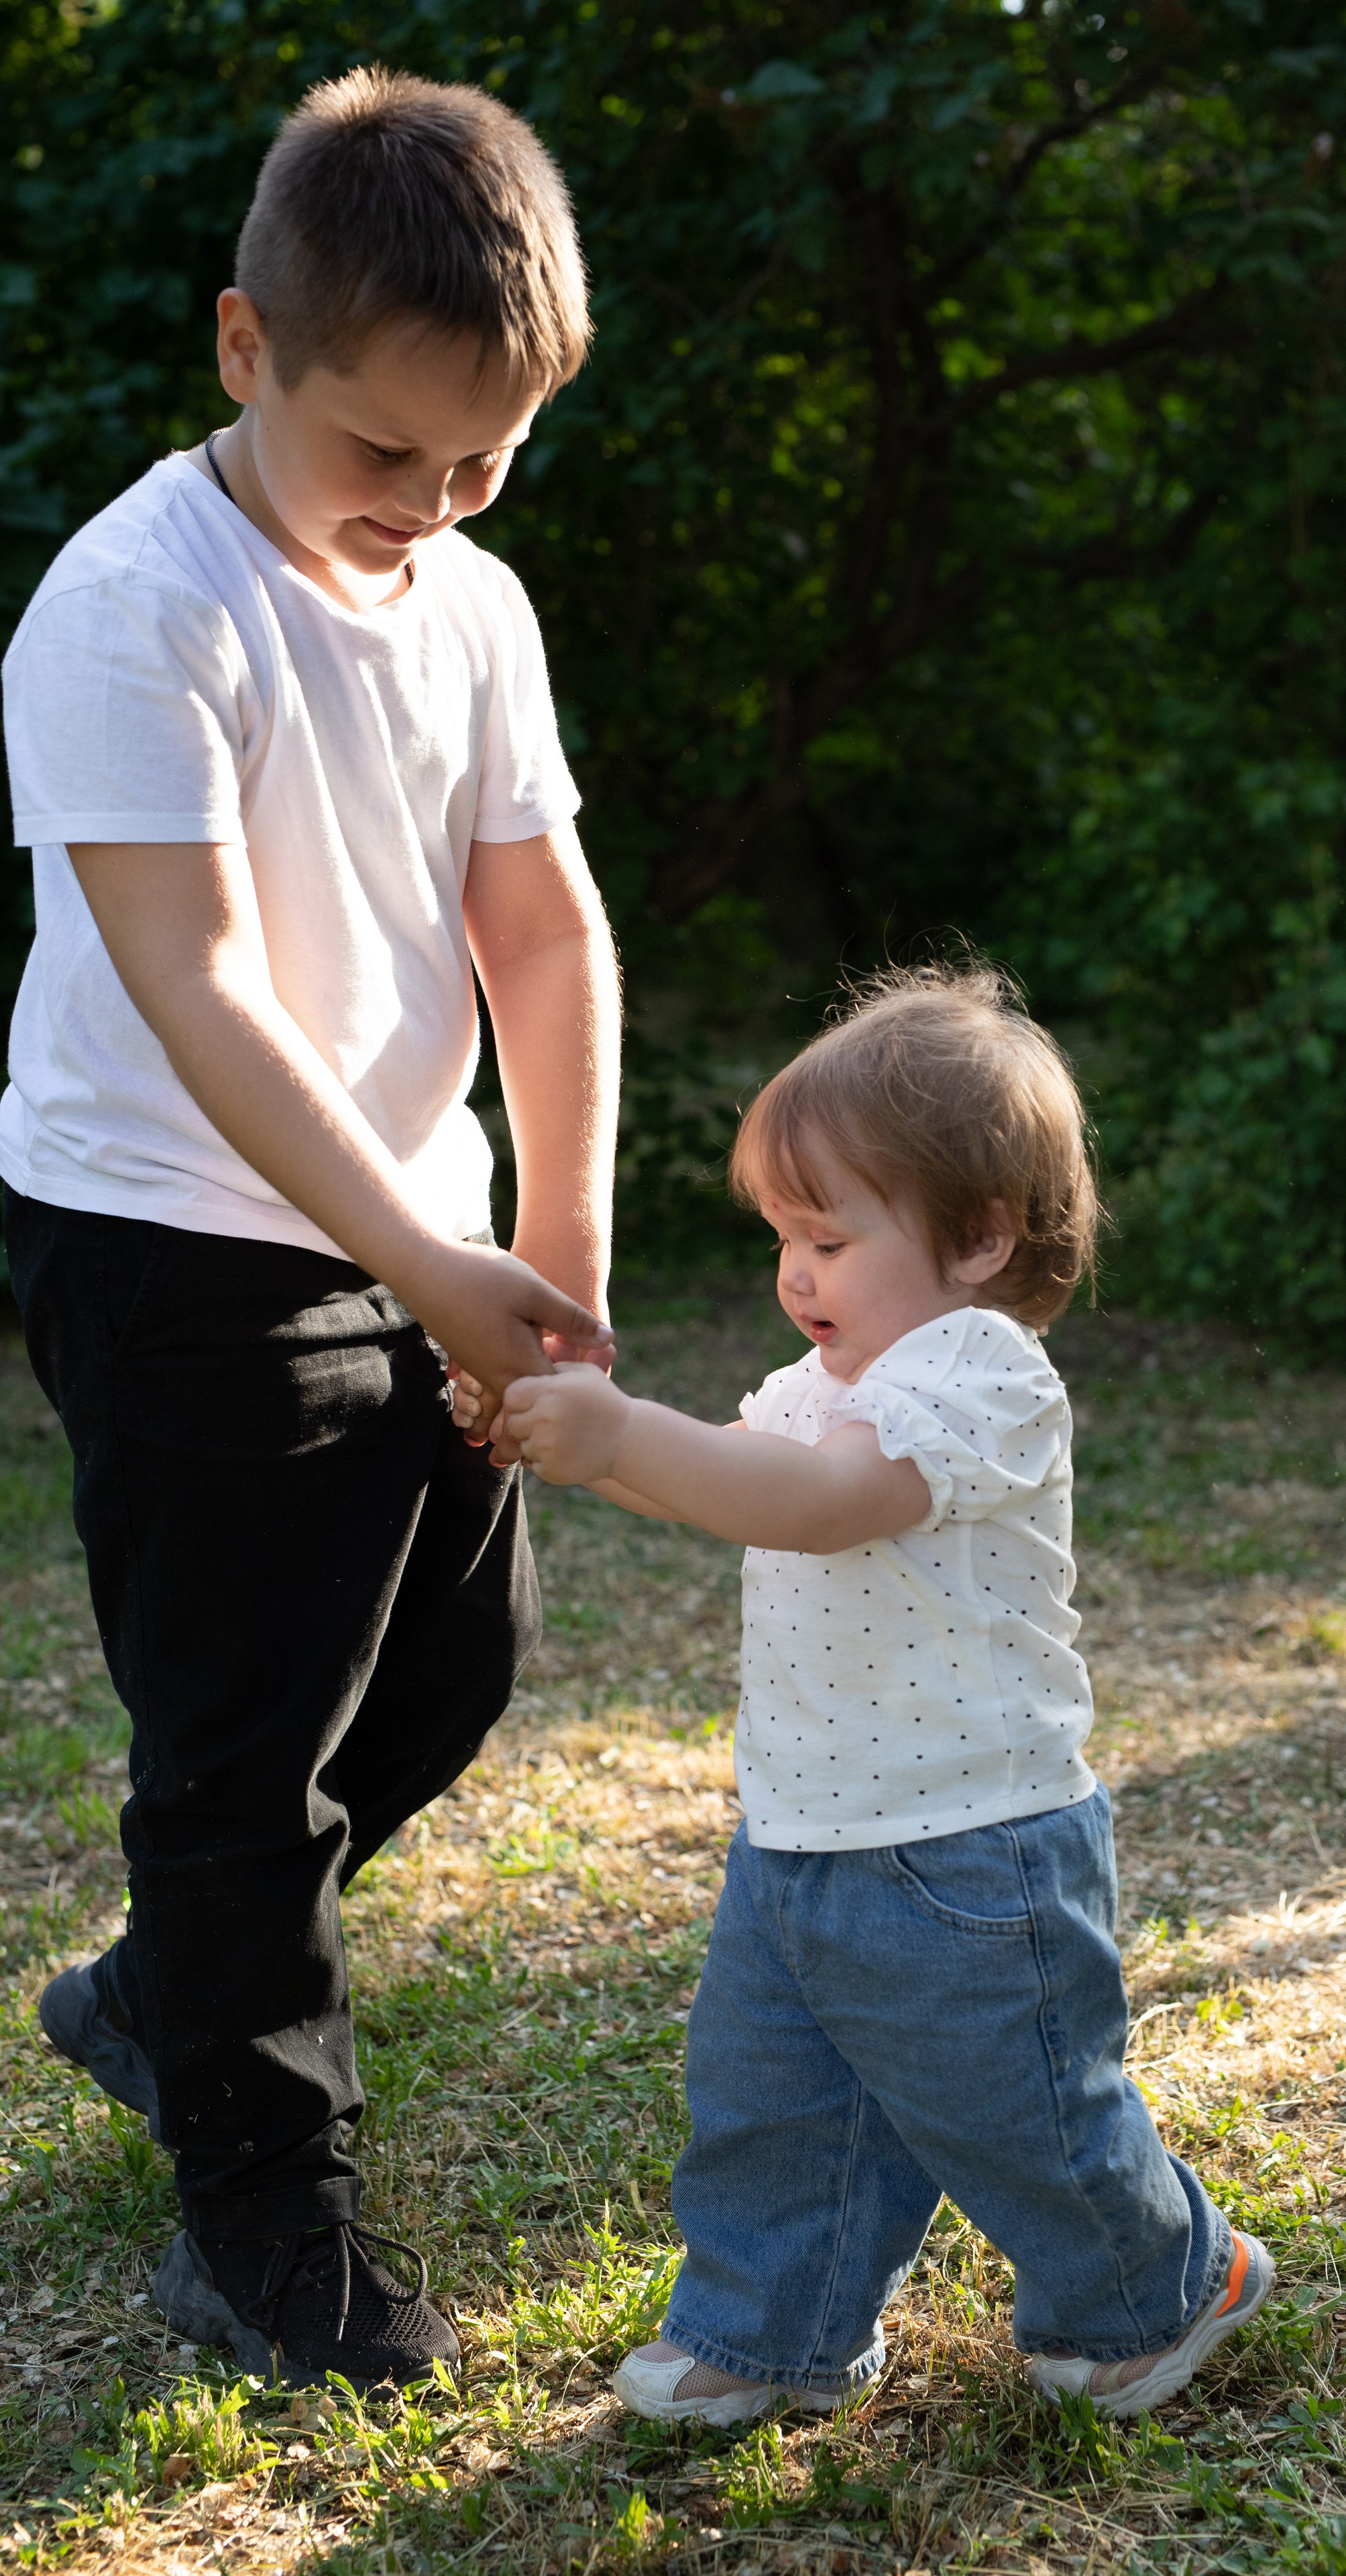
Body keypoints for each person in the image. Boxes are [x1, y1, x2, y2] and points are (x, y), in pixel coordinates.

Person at [2, 67, 621, 2390]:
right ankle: (261, 2209)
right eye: (394, 456)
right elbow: (202, 995)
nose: (438, 509)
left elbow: (540, 929)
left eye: (489, 462)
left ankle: (162, 1986)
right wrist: (429, 1264)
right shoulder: (132, 605)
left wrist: (536, 1248)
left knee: (451, 1679)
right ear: (247, 348)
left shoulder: (468, 597)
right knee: (244, 1752)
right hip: (172, 1236)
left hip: (424, 1228)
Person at [475, 965, 1273, 2426]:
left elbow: (824, 1504)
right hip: (798, 1835)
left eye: (827, 1236)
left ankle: (1161, 2286)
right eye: (782, 1235)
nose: (794, 1272)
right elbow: (742, 1492)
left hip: (969, 1846)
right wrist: (572, 1434)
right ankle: (767, 2332)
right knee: (774, 2110)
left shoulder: (982, 1378)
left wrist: (620, 1439)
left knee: (1021, 2113)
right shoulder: (807, 1389)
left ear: (976, 1238)